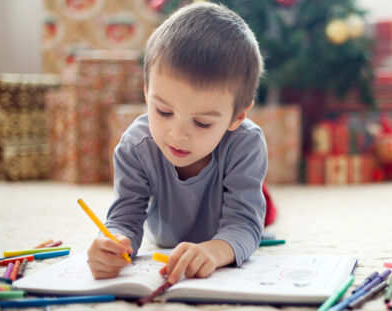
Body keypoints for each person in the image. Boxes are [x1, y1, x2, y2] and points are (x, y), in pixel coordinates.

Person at [87, 2, 267, 285]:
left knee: (259, 212)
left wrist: (215, 250)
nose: (177, 135)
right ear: (147, 93)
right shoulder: (136, 146)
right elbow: (124, 218)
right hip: (167, 235)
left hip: (225, 218)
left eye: (202, 123)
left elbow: (243, 225)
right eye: (163, 112)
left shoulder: (246, 143)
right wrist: (111, 244)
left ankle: (263, 197)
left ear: (237, 116)